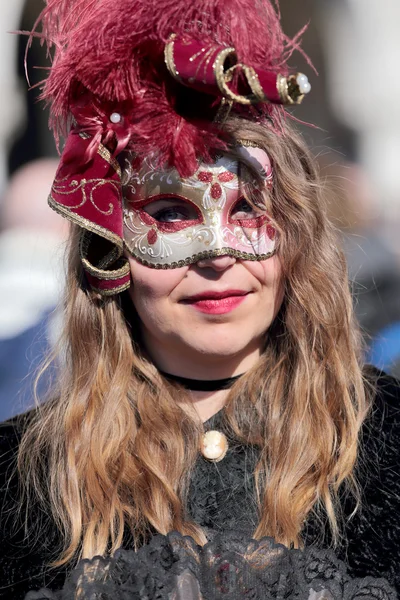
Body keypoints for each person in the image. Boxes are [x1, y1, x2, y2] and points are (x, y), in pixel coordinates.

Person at [0, 0, 399, 598]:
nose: (216, 256)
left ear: (297, 236)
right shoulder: (20, 482)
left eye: (249, 211)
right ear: (110, 249)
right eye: (169, 213)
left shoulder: (388, 443)